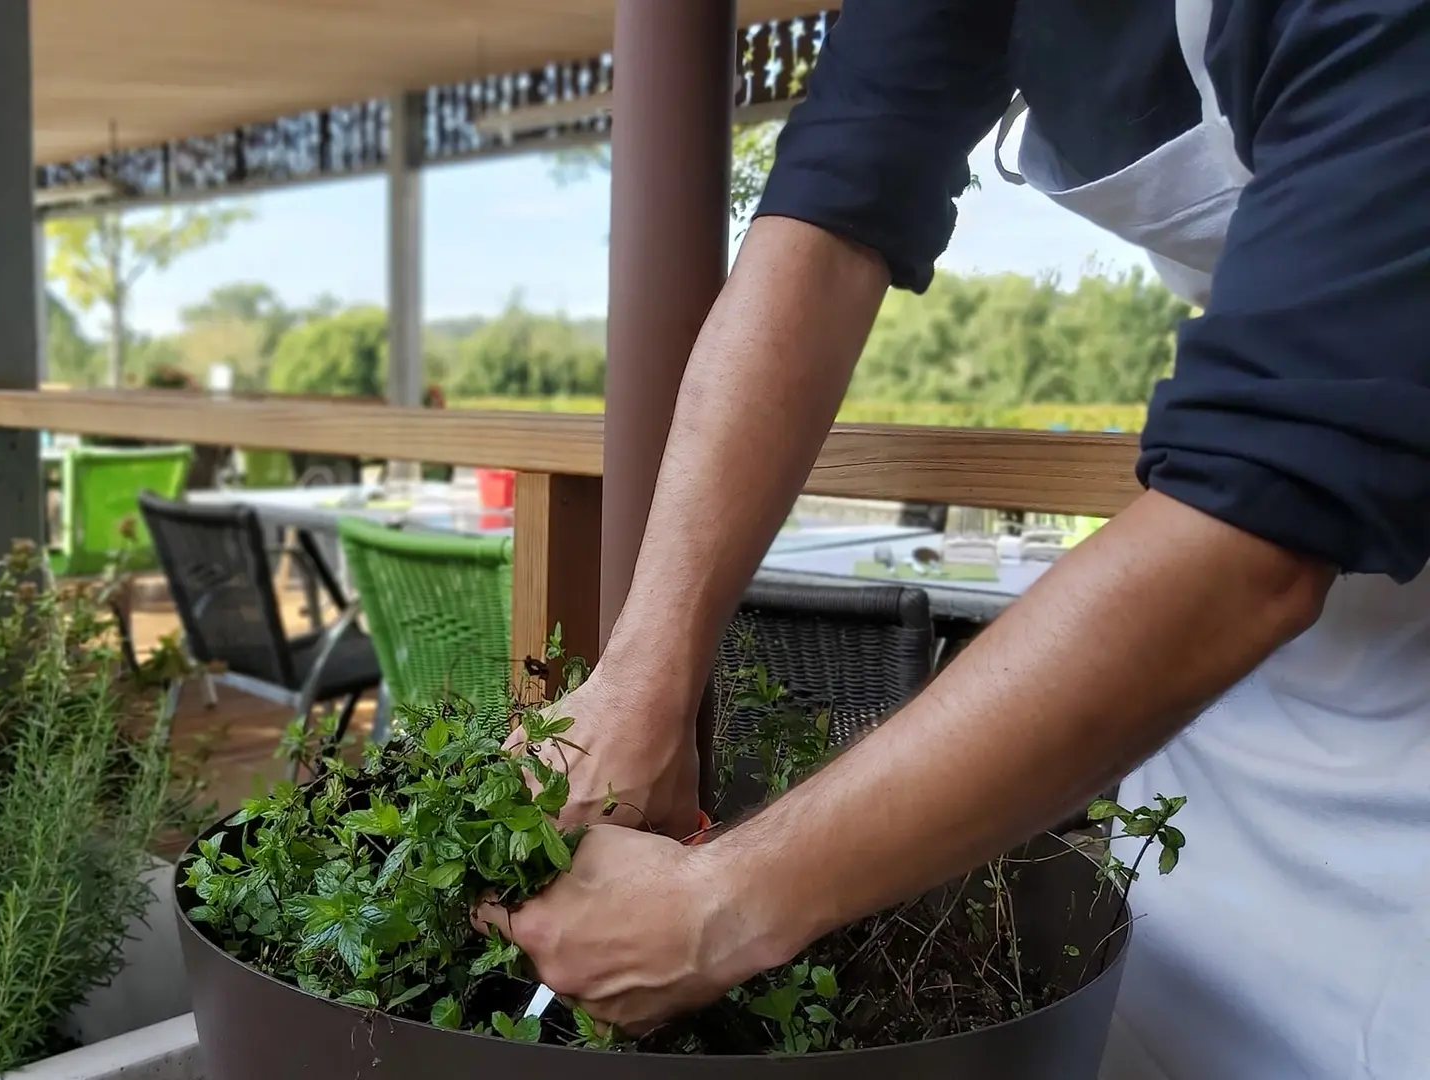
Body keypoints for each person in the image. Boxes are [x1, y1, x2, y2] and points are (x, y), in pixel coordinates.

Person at [479, 3, 1430, 1077]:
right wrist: (638, 680)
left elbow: (1264, 517)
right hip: (1239, 672)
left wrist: (721, 905)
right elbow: (833, 207)